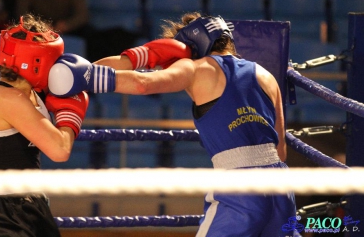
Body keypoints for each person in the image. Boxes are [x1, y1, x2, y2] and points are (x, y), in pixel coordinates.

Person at [48, 12, 299, 236]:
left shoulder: (195, 68)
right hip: (280, 185)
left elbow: (141, 84)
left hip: (239, 189)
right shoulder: (266, 76)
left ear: (190, 46)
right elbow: (281, 151)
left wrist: (88, 77)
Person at [0, 14, 89, 237]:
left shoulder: (31, 91)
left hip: (25, 207)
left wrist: (143, 56)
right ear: (36, 61)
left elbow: (92, 73)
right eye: (51, 60)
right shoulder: (2, 97)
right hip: (6, 215)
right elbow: (60, 150)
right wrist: (70, 114)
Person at [16, 0, 140, 61]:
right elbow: (22, 11)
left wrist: (66, 25)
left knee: (98, 40)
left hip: (67, 28)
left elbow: (82, 15)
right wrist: (39, 26)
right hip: (36, 30)